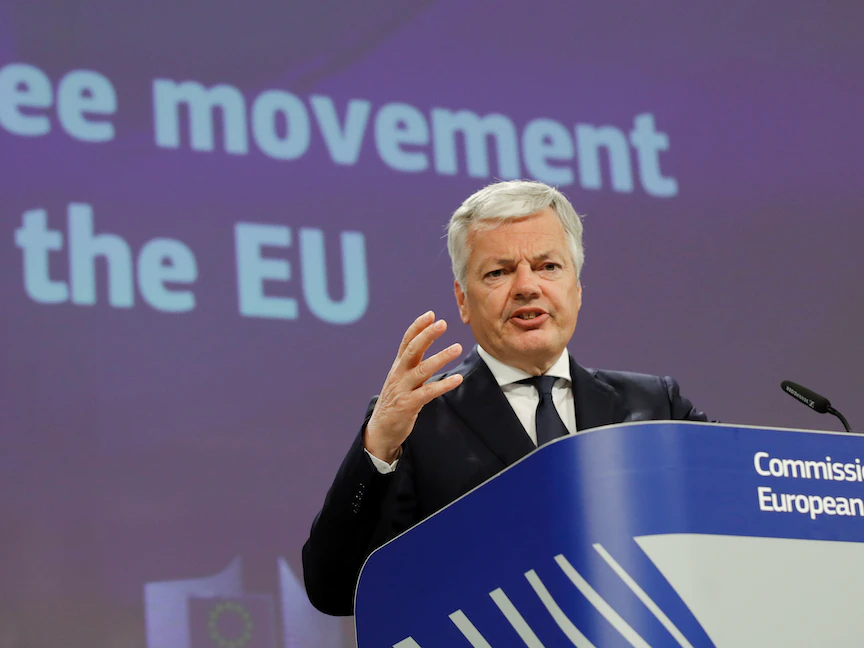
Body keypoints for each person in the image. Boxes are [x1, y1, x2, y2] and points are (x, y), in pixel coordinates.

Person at [302, 180, 707, 616]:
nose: (526, 286)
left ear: (577, 288)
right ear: (462, 300)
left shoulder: (655, 406)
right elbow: (334, 589)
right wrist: (379, 445)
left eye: (548, 266)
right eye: (498, 272)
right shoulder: (416, 423)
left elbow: (736, 513)